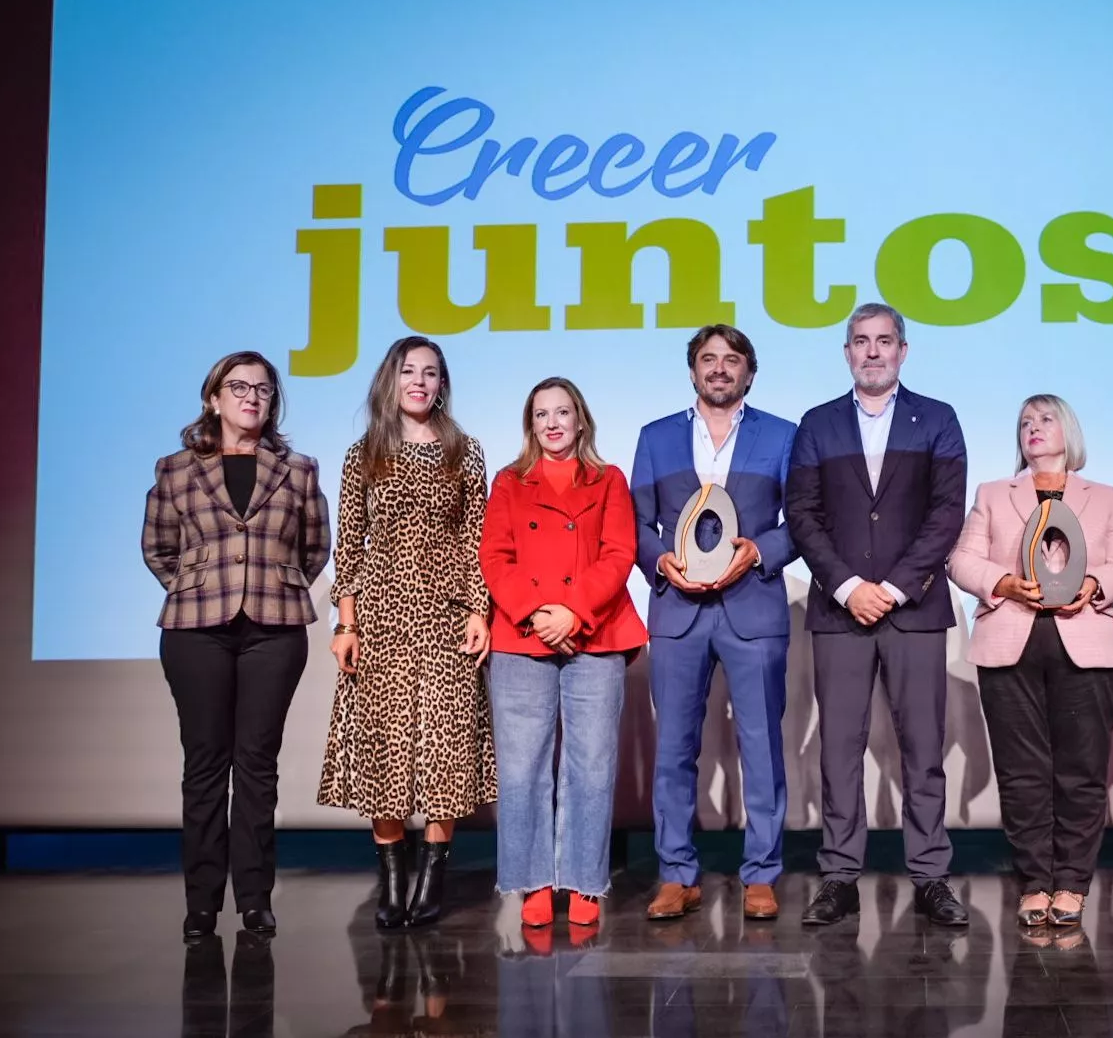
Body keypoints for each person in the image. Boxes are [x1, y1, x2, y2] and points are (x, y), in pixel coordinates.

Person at [786, 302, 970, 927]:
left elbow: (947, 513)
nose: (871, 351)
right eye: (860, 341)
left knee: (923, 750)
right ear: (846, 353)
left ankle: (931, 877)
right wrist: (845, 587)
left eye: (883, 341)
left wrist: (890, 587)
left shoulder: (938, 419)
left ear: (903, 350)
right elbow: (803, 516)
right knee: (839, 751)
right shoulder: (816, 424)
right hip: (839, 615)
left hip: (913, 609)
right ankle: (839, 876)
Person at [144, 350, 329, 941]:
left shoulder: (298, 469)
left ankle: (255, 899)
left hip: (274, 628)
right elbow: (158, 548)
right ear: (213, 398)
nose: (252, 397)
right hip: (196, 629)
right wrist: (200, 586)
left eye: (264, 390)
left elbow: (315, 547)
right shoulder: (175, 469)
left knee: (257, 765)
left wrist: (275, 581)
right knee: (204, 764)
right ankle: (201, 903)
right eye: (239, 386)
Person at [946, 394, 1113, 927]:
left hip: (1085, 641)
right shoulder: (994, 494)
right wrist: (1003, 583)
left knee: (1081, 771)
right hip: (1010, 640)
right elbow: (962, 560)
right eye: (1025, 423)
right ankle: (1034, 881)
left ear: (1069, 431)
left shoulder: (1104, 496)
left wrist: (1095, 583)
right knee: (1021, 771)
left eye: (1045, 419)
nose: (1033, 428)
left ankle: (1072, 883)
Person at [318, 336, 496, 930]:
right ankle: (391, 880)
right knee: (386, 747)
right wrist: (347, 622)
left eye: (431, 373)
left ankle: (432, 877)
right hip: (381, 614)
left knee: (445, 746)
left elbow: (477, 539)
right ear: (389, 381)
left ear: (442, 384)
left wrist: (479, 612)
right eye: (408, 371)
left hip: (446, 613)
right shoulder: (361, 453)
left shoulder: (464, 452)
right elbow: (349, 542)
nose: (419, 382)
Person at [630, 326, 797, 921]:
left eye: (732, 360)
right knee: (673, 748)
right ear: (693, 370)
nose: (720, 369)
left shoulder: (782, 436)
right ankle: (677, 874)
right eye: (708, 360)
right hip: (678, 612)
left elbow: (801, 522)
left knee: (762, 749)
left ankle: (761, 874)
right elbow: (637, 524)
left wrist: (759, 552)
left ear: (749, 373)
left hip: (753, 607)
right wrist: (660, 562)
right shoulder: (656, 438)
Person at [481, 377, 647, 929]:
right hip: (521, 633)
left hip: (594, 632)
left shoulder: (608, 479)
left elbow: (620, 552)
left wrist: (572, 611)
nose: (552, 423)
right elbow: (496, 558)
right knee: (523, 766)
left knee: (591, 765)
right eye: (541, 414)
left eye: (563, 412)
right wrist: (537, 613)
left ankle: (582, 881)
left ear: (581, 420)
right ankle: (533, 881)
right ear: (530, 425)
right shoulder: (508, 482)